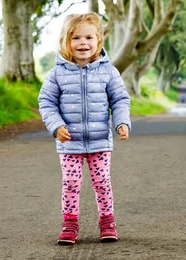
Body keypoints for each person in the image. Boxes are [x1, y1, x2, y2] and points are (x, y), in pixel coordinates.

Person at [38, 13, 131, 246]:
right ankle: (69, 223)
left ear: (98, 41)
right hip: (70, 142)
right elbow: (47, 102)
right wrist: (56, 125)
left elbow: (120, 99)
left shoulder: (109, 72)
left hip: (100, 140)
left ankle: (107, 221)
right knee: (71, 183)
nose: (82, 43)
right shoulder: (56, 74)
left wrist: (121, 122)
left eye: (89, 37)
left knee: (102, 182)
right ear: (65, 41)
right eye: (75, 37)